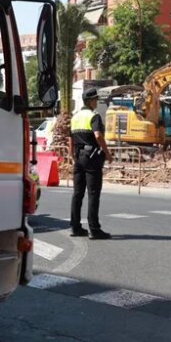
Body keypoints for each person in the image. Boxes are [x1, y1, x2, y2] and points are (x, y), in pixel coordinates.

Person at [69, 88, 113, 240]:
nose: (96, 102)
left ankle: (75, 227)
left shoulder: (75, 117)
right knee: (93, 194)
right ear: (90, 101)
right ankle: (94, 229)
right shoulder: (94, 116)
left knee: (77, 193)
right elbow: (98, 135)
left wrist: (72, 155)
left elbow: (71, 139)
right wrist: (107, 152)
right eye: (95, 100)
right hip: (92, 158)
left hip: (78, 156)